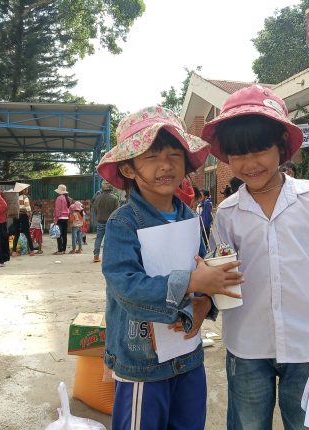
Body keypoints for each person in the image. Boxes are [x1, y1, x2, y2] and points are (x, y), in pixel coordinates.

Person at [200, 85, 309, 430]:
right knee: (248, 423)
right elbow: (224, 277)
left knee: (306, 422)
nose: (249, 163)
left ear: (281, 146)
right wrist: (208, 282)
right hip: (248, 342)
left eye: (259, 150)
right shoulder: (227, 212)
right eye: (238, 154)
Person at [96, 105, 242, 430]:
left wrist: (205, 302)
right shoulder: (124, 223)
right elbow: (126, 288)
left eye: (175, 155)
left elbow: (204, 271)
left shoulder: (189, 218)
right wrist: (191, 282)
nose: (166, 165)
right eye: (152, 156)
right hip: (142, 362)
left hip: (188, 356)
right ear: (128, 169)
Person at [91, 181, 119, 263]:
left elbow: (95, 209)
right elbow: (117, 211)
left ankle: (96, 256)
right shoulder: (114, 198)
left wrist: (97, 217)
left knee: (98, 239)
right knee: (109, 239)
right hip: (111, 222)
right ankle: (109, 257)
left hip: (100, 221)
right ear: (111, 188)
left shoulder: (97, 198)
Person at [11, 183, 35, 257]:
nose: (27, 190)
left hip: (16, 216)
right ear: (22, 191)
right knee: (27, 233)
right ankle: (32, 251)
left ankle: (14, 252)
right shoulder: (25, 197)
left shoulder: (15, 197)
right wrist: (30, 214)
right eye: (26, 189)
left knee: (16, 234)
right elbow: (27, 207)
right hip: (23, 216)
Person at [53, 184, 71, 255]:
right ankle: (63, 250)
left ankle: (60, 250)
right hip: (66, 218)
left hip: (60, 218)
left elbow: (57, 209)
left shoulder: (59, 198)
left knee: (59, 234)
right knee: (64, 235)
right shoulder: (67, 198)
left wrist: (56, 218)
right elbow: (69, 209)